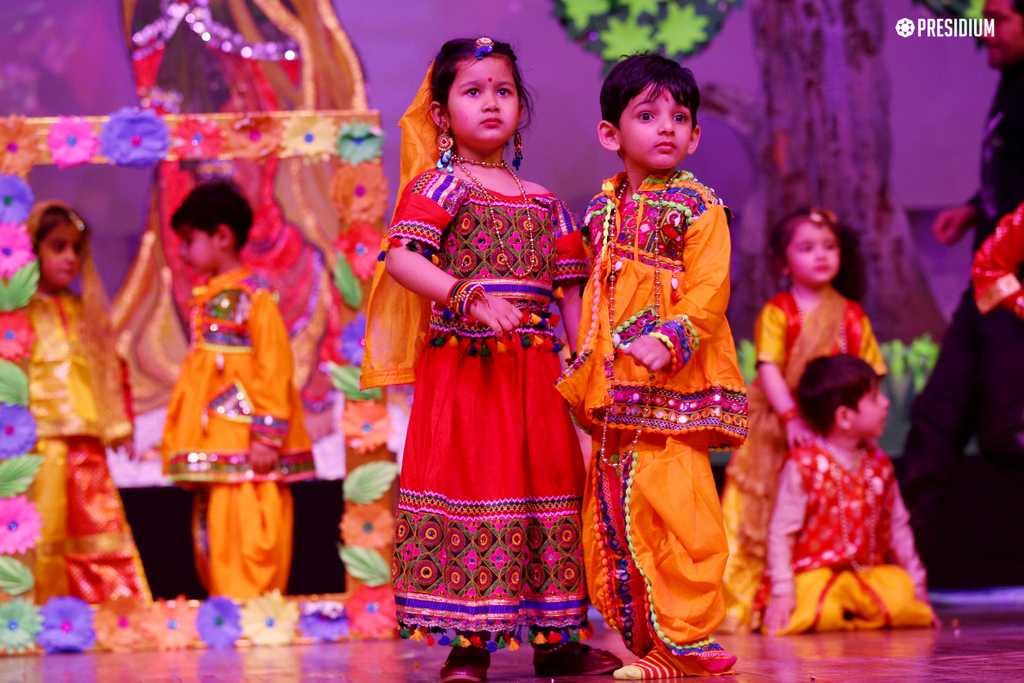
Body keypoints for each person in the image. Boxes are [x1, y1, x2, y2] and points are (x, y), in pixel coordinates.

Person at [361, 38, 621, 682]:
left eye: (503, 91)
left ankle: (556, 641)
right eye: (473, 91)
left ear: (520, 108)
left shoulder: (545, 201)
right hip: (467, 373)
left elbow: (571, 293)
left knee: (549, 490)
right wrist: (467, 295)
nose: (491, 103)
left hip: (536, 376)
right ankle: (468, 646)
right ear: (441, 114)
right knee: (475, 489)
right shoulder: (440, 186)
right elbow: (402, 258)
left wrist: (588, 367)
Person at [556, 53, 745, 679]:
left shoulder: (698, 205)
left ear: (695, 136)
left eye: (679, 117)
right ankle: (650, 644)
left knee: (680, 508)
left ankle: (687, 640)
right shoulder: (600, 212)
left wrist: (673, 336)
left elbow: (711, 287)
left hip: (673, 388)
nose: (666, 126)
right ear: (610, 134)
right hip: (617, 392)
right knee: (614, 510)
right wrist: (583, 360)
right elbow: (589, 294)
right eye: (647, 115)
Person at [718, 208, 887, 633]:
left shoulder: (851, 314)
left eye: (829, 246)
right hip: (781, 427)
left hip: (834, 433)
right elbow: (769, 368)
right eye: (807, 248)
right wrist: (792, 418)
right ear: (783, 262)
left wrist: (864, 426)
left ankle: (819, 596)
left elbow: (869, 374)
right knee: (765, 512)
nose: (821, 255)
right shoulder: (779, 311)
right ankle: (749, 604)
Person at [901, 0, 1024, 569]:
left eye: (998, 19)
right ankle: (904, 578)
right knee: (935, 422)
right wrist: (975, 208)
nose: (985, 31)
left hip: (1014, 291)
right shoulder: (1011, 84)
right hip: (986, 286)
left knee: (1006, 433)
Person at [160, 182, 314, 600]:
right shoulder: (209, 297)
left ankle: (252, 610)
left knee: (250, 528)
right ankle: (226, 609)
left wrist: (267, 434)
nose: (184, 252)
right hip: (218, 441)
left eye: (189, 239)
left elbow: (274, 365)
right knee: (215, 533)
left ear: (222, 236)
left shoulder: (253, 298)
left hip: (248, 443)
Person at [26, 201, 151, 605]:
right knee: (40, 535)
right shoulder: (16, 316)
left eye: (76, 249)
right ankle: (34, 619)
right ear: (32, 250)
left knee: (99, 531)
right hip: (35, 448)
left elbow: (113, 369)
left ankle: (111, 618)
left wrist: (121, 423)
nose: (70, 258)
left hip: (87, 449)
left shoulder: (86, 312)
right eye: (57, 247)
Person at [763, 355, 936, 635]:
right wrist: (782, 591)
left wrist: (917, 586)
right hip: (816, 576)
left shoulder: (879, 464)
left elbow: (898, 528)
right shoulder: (804, 465)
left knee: (903, 599)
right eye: (875, 398)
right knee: (818, 611)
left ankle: (854, 615)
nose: (885, 403)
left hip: (867, 575)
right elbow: (781, 533)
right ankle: (846, 615)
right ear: (844, 416)